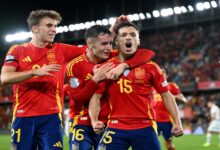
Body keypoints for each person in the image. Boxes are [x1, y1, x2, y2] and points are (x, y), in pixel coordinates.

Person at [0, 9, 117, 150]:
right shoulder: (17, 50)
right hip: (23, 117)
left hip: (52, 118)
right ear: (35, 29)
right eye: (49, 26)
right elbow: (5, 78)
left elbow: (94, 45)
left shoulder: (60, 49)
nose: (54, 30)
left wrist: (114, 29)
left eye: (55, 26)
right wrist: (34, 72)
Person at [89, 21, 183, 150]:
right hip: (115, 127)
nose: (128, 37)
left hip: (145, 127)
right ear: (116, 42)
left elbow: (166, 95)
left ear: (138, 41)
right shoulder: (105, 67)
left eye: (133, 35)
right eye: (124, 35)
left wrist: (177, 121)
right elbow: (95, 97)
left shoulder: (151, 67)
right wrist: (94, 121)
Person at [66, 24, 155, 150]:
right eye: (104, 44)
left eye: (110, 43)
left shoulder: (112, 56)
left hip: (108, 124)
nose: (109, 48)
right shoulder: (74, 66)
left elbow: (147, 53)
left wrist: (124, 65)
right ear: (90, 44)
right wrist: (95, 79)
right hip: (82, 122)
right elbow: (77, 99)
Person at [152, 68, 187, 150]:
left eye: (163, 73)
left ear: (166, 75)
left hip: (167, 122)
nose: (160, 74)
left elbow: (184, 100)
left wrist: (175, 97)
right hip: (154, 121)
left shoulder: (172, 86)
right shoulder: (152, 87)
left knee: (169, 145)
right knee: (150, 143)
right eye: (159, 73)